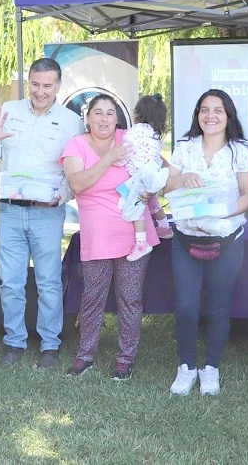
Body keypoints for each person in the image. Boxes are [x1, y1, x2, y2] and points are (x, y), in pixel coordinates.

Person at [0, 58, 85, 369]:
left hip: (47, 214)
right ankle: (14, 341)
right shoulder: (9, 111)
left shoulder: (70, 122)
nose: (41, 91)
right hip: (10, 211)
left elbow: (74, 173)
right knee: (10, 281)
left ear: (58, 86)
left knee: (49, 281)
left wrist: (59, 197)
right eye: (36, 84)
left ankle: (50, 344)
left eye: (47, 86)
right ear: (29, 81)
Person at [164, 90, 248, 395]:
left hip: (226, 238)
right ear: (197, 115)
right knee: (186, 307)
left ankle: (211, 368)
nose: (211, 116)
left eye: (218, 110)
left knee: (219, 307)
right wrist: (182, 178)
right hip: (186, 238)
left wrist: (221, 213)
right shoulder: (184, 148)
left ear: (228, 115)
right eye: (204, 110)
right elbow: (166, 187)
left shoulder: (242, 151)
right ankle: (186, 367)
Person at [61, 94, 159, 380]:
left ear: (118, 118)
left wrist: (151, 189)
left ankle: (125, 359)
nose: (104, 119)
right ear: (88, 118)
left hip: (134, 234)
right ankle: (85, 355)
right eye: (98, 113)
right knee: (93, 297)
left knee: (130, 298)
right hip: (97, 235)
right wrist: (109, 158)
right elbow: (78, 183)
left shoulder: (132, 138)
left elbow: (157, 167)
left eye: (110, 113)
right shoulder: (76, 145)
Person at [120, 95, 173, 262]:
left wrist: (117, 161)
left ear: (138, 113)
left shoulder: (134, 131)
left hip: (139, 177)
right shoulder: (155, 135)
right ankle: (165, 227)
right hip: (153, 175)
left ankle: (141, 243)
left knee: (136, 209)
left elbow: (126, 150)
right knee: (153, 202)